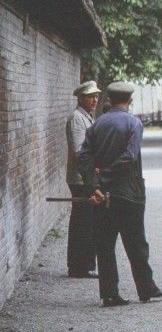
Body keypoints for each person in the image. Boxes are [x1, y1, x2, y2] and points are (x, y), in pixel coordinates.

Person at [78, 82, 162, 308]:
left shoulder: (97, 124)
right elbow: (129, 157)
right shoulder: (133, 123)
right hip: (129, 194)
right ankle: (146, 288)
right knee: (136, 243)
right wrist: (107, 175)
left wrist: (94, 186)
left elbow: (84, 158)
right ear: (129, 100)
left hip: (102, 196)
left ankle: (110, 294)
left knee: (105, 246)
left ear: (109, 98)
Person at [65, 80, 100, 278]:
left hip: (85, 176)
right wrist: (93, 170)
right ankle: (78, 266)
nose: (95, 99)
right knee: (82, 220)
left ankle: (83, 264)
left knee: (85, 220)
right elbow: (79, 151)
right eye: (90, 96)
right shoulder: (77, 119)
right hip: (80, 178)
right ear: (81, 98)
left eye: (96, 96)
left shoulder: (87, 117)